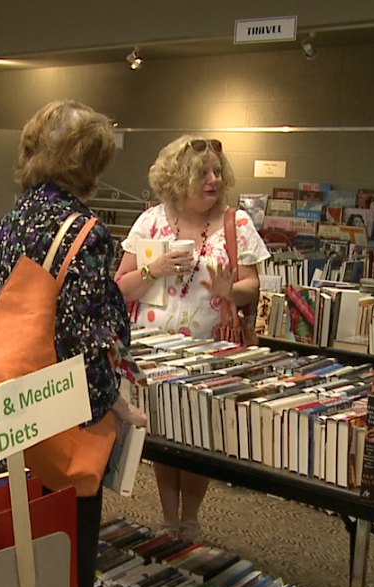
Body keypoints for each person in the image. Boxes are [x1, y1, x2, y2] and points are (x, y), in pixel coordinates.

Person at [0, 99, 143, 587]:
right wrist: (115, 402)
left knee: (8, 573)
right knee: (63, 577)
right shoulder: (83, 234)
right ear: (90, 165)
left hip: (1, 419)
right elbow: (85, 351)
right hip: (58, 431)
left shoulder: (1, 228)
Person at [115, 135, 270, 541]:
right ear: (178, 177)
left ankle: (192, 519)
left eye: (219, 172)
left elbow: (253, 287)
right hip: (155, 353)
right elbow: (120, 287)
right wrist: (156, 268)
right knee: (165, 435)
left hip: (213, 357)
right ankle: (169, 517)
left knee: (200, 438)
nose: (215, 180)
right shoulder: (149, 222)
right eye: (203, 173)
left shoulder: (237, 224)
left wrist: (229, 291)